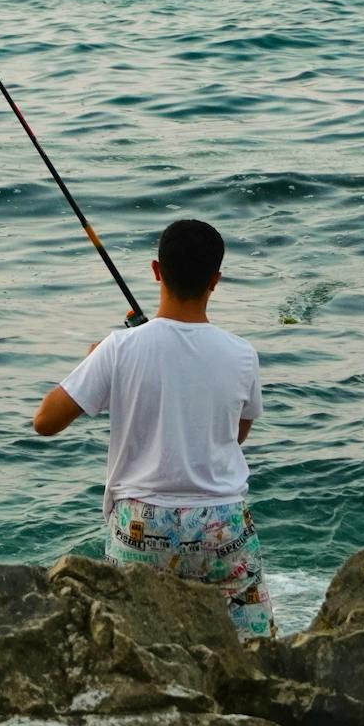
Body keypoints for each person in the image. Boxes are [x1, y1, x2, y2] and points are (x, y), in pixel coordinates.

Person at [31, 218, 275, 637]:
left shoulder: (120, 348)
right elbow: (234, 437)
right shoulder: (242, 355)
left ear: (157, 271)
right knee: (254, 650)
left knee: (136, 643)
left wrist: (98, 361)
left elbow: (45, 421)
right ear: (215, 280)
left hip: (142, 524)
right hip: (221, 524)